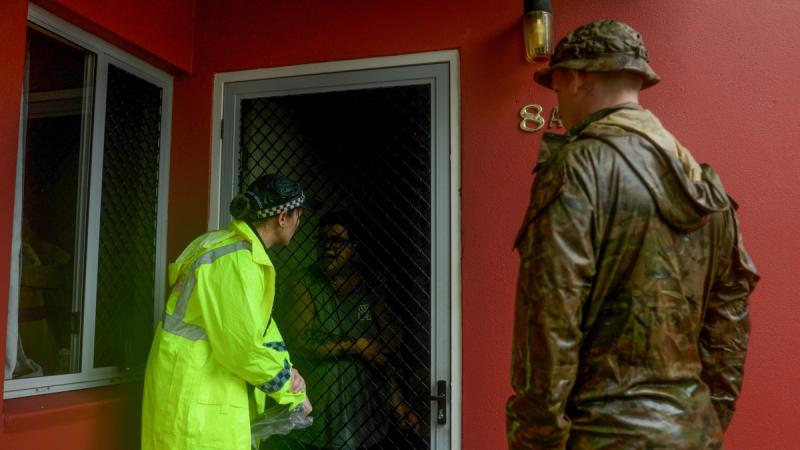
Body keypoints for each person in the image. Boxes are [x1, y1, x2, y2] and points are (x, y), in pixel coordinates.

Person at [507, 20, 759, 449]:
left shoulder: (578, 168)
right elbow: (729, 326)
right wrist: (704, 423)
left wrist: (538, 441)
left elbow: (549, 318)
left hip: (601, 434)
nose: (560, 102)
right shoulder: (702, 183)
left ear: (576, 77)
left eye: (558, 87)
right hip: (693, 433)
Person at [142, 174, 313, 450]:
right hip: (196, 397)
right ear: (283, 217)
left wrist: (289, 373)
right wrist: (289, 389)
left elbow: (260, 328)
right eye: (298, 216)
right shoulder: (236, 260)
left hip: (200, 390)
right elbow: (242, 347)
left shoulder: (233, 251)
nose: (298, 224)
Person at [271, 211, 420, 450]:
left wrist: (398, 401)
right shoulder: (306, 282)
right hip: (320, 403)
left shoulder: (369, 287)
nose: (329, 248)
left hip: (364, 411)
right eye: (323, 241)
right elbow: (299, 343)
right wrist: (355, 346)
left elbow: (388, 343)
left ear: (354, 247)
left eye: (337, 241)